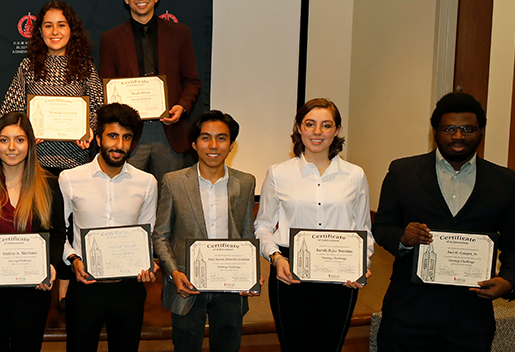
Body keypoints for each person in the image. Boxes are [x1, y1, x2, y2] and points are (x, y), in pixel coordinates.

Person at [372, 92, 515, 351]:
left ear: (481, 131)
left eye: (467, 129)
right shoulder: (402, 173)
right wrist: (402, 238)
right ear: (435, 131)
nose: (458, 136)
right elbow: (381, 227)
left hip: (471, 318)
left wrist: (509, 280)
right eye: (448, 128)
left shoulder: (506, 182)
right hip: (408, 314)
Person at [253, 98, 372, 352]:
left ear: (337, 130)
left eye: (326, 125)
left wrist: (363, 264)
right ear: (298, 127)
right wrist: (275, 258)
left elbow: (363, 231)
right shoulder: (278, 173)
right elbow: (263, 226)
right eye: (310, 124)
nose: (317, 132)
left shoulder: (355, 175)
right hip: (289, 273)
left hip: (341, 275)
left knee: (330, 347)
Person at [152, 111, 259, 352]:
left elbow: (247, 233)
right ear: (194, 143)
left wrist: (251, 270)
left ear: (231, 145)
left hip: (231, 286)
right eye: (205, 138)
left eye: (221, 138)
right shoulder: (173, 181)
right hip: (186, 284)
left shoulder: (245, 182)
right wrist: (173, 273)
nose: (213, 145)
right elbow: (160, 235)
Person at [60, 103, 158, 352]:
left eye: (127, 138)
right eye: (113, 136)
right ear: (99, 138)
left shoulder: (146, 183)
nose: (119, 145)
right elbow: (59, 234)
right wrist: (73, 260)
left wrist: (150, 260)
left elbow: (148, 234)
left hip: (129, 288)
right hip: (85, 286)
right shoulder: (70, 179)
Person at [0, 112, 65, 352]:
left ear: (30, 144)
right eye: (4, 140)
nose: (11, 147)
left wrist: (50, 266)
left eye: (19, 140)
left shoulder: (49, 184)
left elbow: (58, 233)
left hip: (32, 290)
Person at [98, 0, 202, 183]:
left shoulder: (180, 34)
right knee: (127, 197)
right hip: (130, 133)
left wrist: (181, 107)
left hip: (169, 131)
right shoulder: (111, 38)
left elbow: (192, 80)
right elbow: (105, 86)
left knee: (168, 199)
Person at [0, 0, 103, 174]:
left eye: (61, 25)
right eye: (48, 26)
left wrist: (89, 129)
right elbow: (9, 111)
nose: (55, 32)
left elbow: (99, 108)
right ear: (40, 31)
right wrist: (25, 131)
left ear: (71, 29)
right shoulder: (28, 66)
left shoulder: (85, 67)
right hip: (35, 164)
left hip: (77, 163)